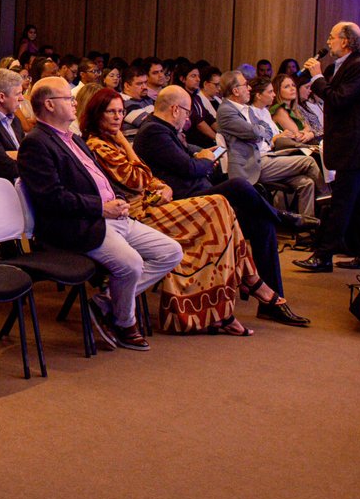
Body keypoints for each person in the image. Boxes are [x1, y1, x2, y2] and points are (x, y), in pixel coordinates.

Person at [81, 89, 301, 334]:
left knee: (255, 221)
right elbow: (141, 177)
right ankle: (248, 283)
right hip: (142, 213)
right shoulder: (106, 143)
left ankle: (234, 299)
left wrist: (162, 184)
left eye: (121, 111)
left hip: (166, 201)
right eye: (110, 112)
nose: (118, 117)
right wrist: (126, 144)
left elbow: (152, 177)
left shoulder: (139, 135)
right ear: (97, 115)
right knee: (225, 202)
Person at [19, 77, 182, 352]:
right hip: (78, 225)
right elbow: (51, 198)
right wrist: (100, 207)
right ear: (49, 104)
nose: (74, 103)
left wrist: (117, 200)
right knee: (131, 264)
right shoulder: (36, 143)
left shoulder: (74, 139)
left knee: (171, 252)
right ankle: (124, 322)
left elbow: (100, 181)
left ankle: (105, 302)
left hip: (109, 216)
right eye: (68, 98)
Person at [295, 22, 360, 272]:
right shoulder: (342, 65)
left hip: (355, 145)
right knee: (359, 202)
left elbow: (338, 98)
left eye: (332, 37)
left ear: (345, 41)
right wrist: (314, 76)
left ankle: (323, 256)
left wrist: (317, 77)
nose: (328, 42)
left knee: (342, 203)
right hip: (350, 144)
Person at [216, 73, 324, 217]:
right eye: (245, 85)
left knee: (306, 182)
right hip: (251, 165)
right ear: (235, 91)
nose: (249, 88)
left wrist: (260, 132)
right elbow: (255, 132)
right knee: (308, 161)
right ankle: (327, 200)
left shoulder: (246, 109)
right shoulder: (226, 111)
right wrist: (260, 132)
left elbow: (265, 130)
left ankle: (306, 225)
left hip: (266, 156)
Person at [270, 73, 320, 148]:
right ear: (277, 91)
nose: (292, 89)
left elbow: (308, 127)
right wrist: (310, 133)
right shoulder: (279, 109)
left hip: (305, 146)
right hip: (294, 149)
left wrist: (310, 133)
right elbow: (297, 135)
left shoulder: (295, 108)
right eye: (287, 87)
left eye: (293, 85)